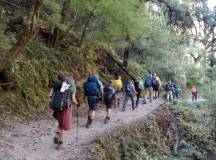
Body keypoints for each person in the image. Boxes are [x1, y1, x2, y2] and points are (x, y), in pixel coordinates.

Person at [50, 75, 78, 150]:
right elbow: (73, 100)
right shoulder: (72, 87)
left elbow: (50, 95)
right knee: (64, 126)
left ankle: (56, 135)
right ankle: (60, 143)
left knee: (60, 122)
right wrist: (77, 103)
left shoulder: (58, 86)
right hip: (66, 108)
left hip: (57, 108)